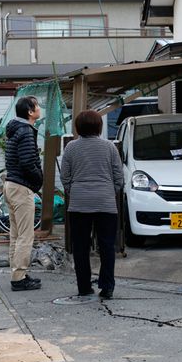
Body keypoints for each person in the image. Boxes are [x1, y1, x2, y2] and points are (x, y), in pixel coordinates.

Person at [60, 110, 123, 299]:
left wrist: (75, 191)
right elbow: (119, 176)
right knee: (107, 246)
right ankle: (107, 287)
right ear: (99, 126)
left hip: (79, 204)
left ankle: (84, 287)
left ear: (78, 127)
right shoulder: (110, 147)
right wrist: (107, 192)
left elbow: (65, 177)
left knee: (80, 246)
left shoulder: (71, 148)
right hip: (106, 203)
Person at [4, 96, 43, 291]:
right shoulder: (26, 131)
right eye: (37, 106)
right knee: (25, 236)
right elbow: (28, 162)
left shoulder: (15, 130)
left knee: (16, 234)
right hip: (21, 187)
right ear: (30, 111)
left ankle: (18, 274)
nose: (39, 108)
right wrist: (38, 180)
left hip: (11, 184)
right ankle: (19, 279)